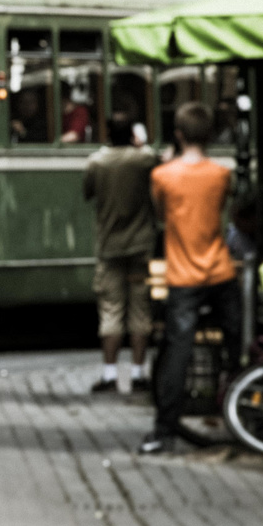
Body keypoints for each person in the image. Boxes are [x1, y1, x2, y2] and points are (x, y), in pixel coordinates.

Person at [139, 102, 241, 455]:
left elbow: (161, 214)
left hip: (183, 276)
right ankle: (244, 406)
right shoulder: (221, 175)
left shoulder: (163, 176)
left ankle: (164, 431)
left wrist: (169, 159)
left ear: (178, 135)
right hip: (220, 271)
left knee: (177, 353)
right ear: (211, 135)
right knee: (235, 340)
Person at [83, 114, 157, 394]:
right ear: (133, 135)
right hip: (140, 246)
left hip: (109, 247)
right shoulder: (144, 159)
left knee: (111, 312)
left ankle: (109, 374)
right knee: (140, 311)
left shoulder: (96, 162)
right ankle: (139, 375)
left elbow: (88, 193)